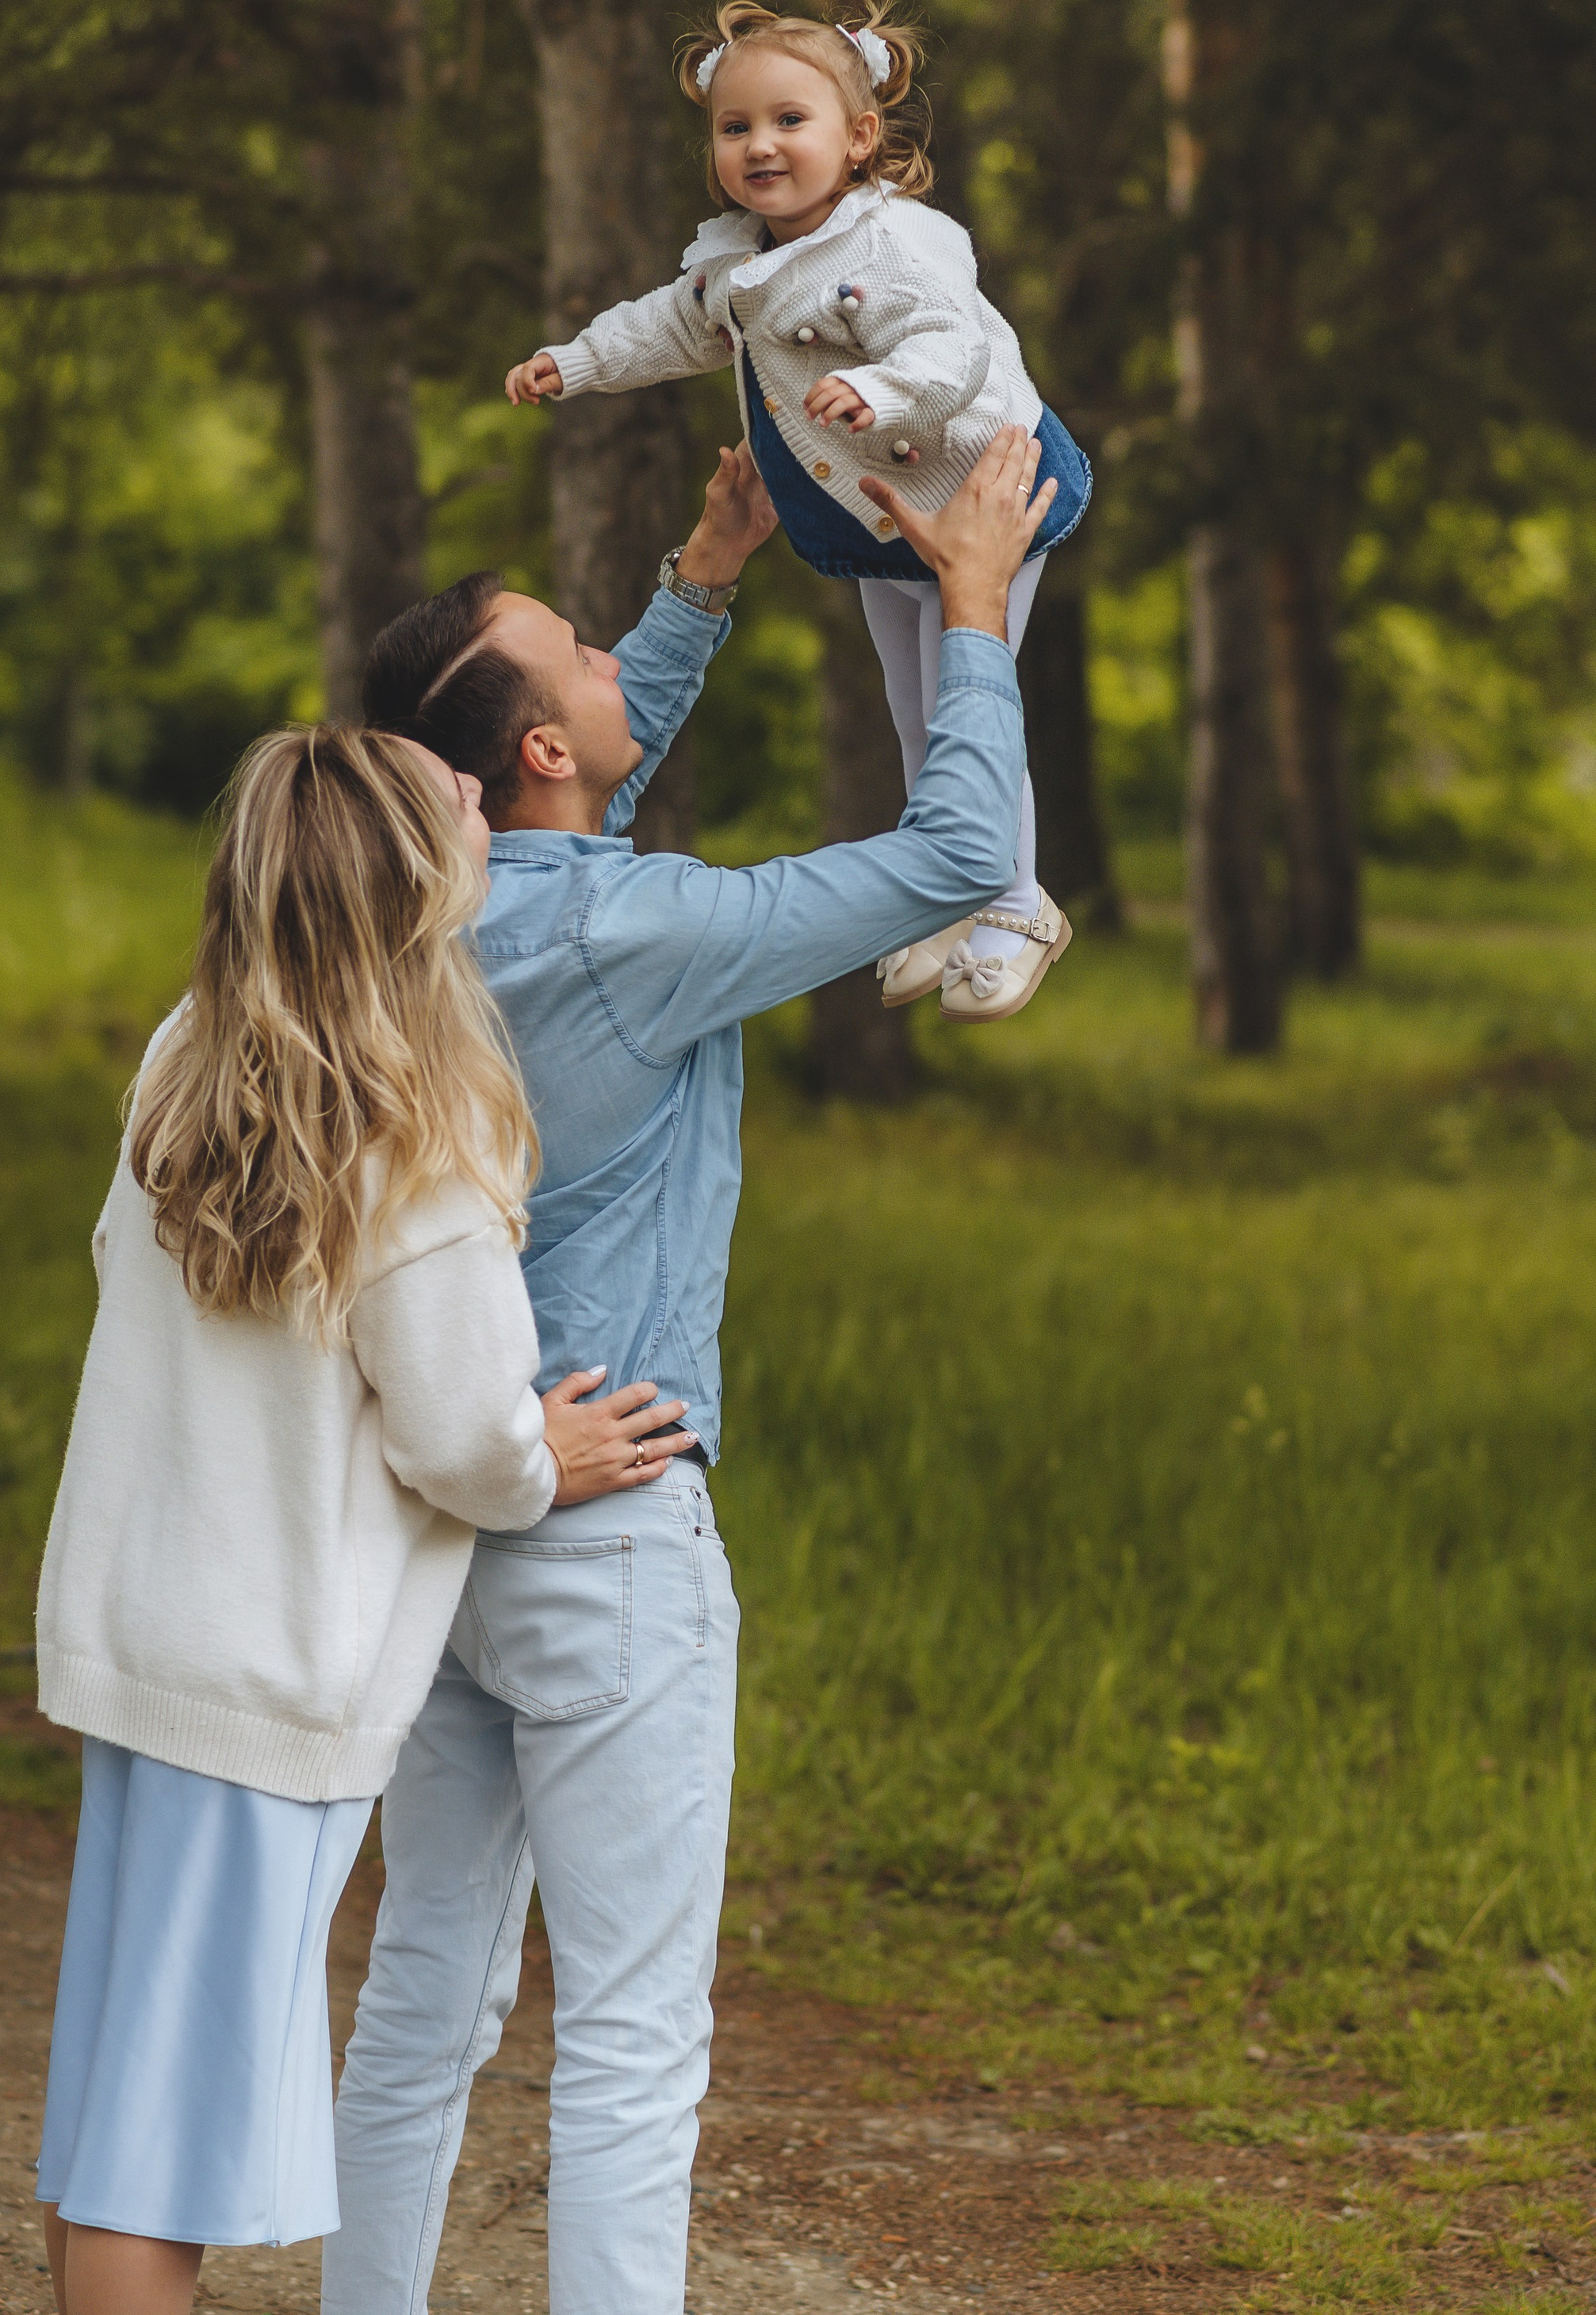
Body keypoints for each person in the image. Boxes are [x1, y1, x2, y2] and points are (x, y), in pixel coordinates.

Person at [325, 420, 1050, 2315]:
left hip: (447, 1518)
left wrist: (699, 584)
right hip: (611, 1529)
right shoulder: (634, 937)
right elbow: (954, 856)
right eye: (575, 649)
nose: (602, 657)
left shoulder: (419, 919)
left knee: (422, 2004)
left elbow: (580, 785)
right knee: (635, 2039)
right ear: (533, 753)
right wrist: (973, 610)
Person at [32, 723, 690, 2315]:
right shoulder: (420, 1144)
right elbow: (461, 1434)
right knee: (155, 2159)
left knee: (113, 2105)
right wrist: (544, 1455)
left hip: (143, 1642)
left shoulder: (190, 1057)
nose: (475, 785)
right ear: (413, 883)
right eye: (449, 791)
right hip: (266, 1687)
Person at [503, 0, 1091, 1025]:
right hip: (875, 514)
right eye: (735, 127)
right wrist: (578, 361)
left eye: (789, 120)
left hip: (979, 498)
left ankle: (1016, 901)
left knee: (965, 695)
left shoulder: (896, 243)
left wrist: (882, 390)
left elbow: (951, 347)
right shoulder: (737, 263)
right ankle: (947, 889)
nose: (760, 145)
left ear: (859, 138)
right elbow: (669, 326)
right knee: (913, 708)